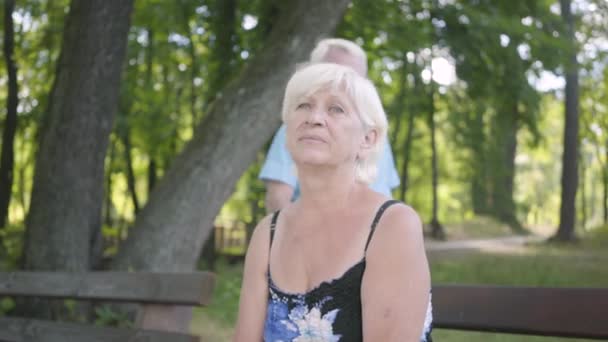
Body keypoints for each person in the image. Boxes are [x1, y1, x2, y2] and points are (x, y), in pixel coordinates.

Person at [234, 63, 432, 341]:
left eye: (336, 109)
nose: (314, 118)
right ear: (287, 130)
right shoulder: (267, 233)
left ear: (367, 139)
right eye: (303, 105)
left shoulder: (393, 225)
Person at [259, 38, 400, 213]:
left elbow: (386, 189)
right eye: (333, 72)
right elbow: (278, 198)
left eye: (356, 76)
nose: (345, 82)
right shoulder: (301, 129)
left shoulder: (376, 135)